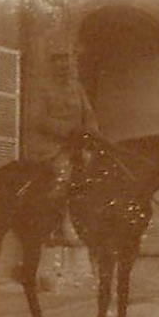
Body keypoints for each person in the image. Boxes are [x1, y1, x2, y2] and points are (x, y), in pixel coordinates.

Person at [29, 49, 100, 245]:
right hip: (51, 146)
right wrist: (67, 131)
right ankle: (54, 227)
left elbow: (89, 114)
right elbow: (37, 119)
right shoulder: (43, 89)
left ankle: (85, 224)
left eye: (67, 61)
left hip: (76, 144)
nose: (64, 65)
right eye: (59, 61)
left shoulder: (77, 88)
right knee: (63, 176)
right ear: (52, 65)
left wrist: (92, 132)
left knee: (97, 171)